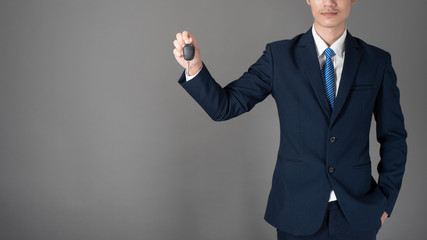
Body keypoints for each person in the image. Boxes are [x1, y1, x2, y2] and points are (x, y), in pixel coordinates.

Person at [172, 0, 407, 239]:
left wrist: (386, 201)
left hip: (358, 214)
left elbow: (394, 137)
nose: (329, 2)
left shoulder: (377, 61)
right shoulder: (279, 56)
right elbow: (224, 106)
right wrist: (195, 67)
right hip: (296, 213)